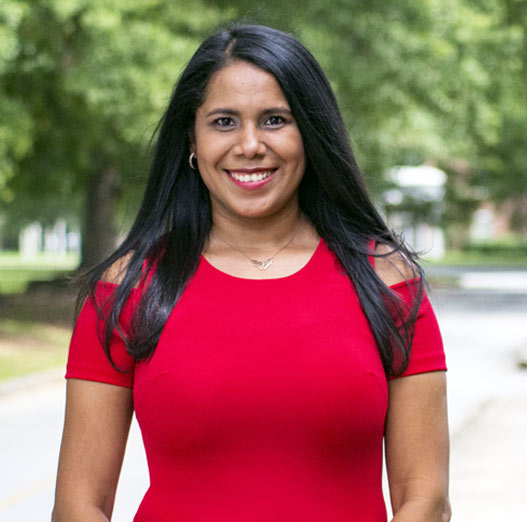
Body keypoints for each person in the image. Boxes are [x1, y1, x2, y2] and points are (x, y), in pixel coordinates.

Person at [52, 23, 450, 522]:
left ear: (311, 132)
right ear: (191, 141)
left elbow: (426, 499)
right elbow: (77, 505)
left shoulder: (388, 283)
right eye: (223, 121)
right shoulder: (125, 289)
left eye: (275, 120)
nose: (249, 145)